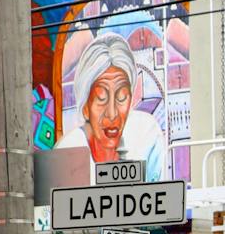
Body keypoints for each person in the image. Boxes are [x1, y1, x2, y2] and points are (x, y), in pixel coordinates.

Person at [55, 29, 167, 180]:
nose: (112, 113)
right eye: (101, 98)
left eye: (121, 97)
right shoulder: (67, 152)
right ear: (86, 107)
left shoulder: (147, 134)